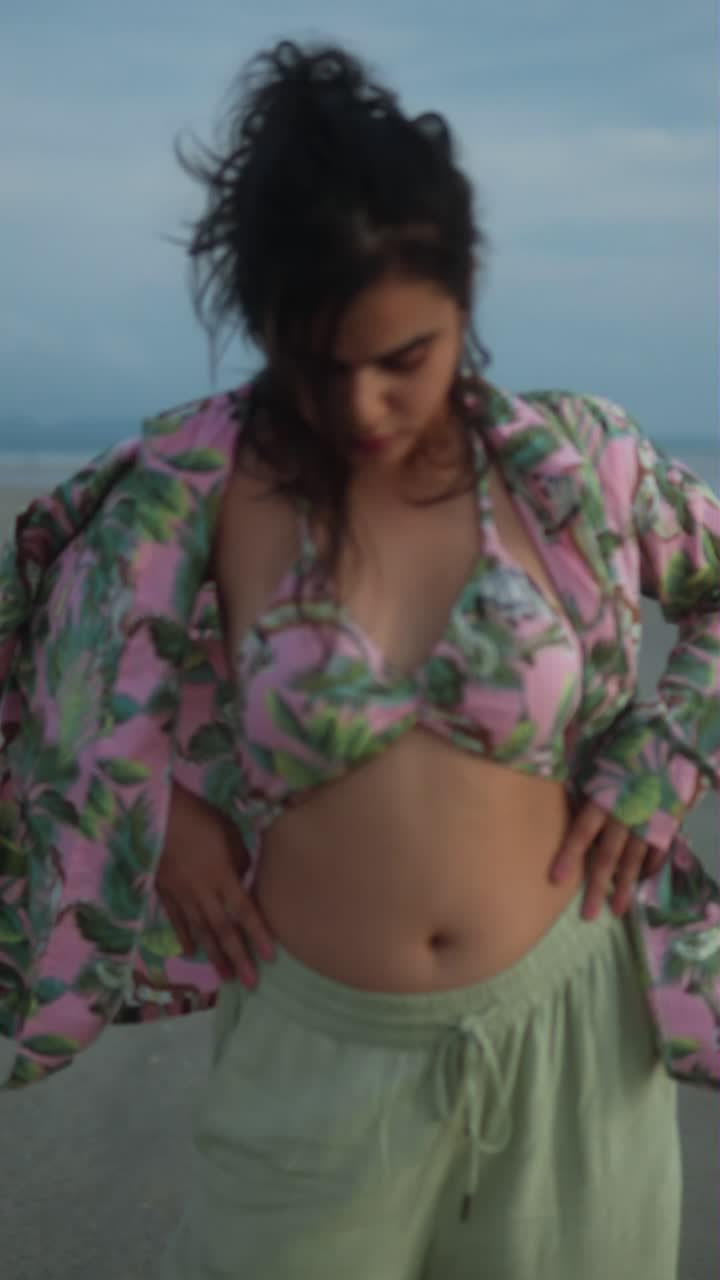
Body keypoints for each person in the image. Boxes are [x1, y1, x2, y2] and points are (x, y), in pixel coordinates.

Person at [151, 39, 719, 1279]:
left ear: (464, 300)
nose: (360, 407)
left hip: (573, 1037)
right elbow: (34, 645)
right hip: (315, 1060)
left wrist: (666, 755)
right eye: (318, 362)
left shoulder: (578, 466)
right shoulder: (194, 487)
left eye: (405, 357)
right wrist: (154, 806)